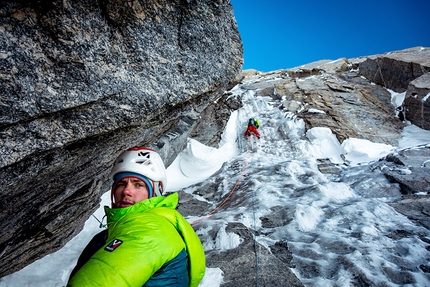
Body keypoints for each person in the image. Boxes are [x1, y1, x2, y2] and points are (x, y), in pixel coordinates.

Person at [67, 147, 206, 287]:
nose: (127, 191)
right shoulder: (127, 229)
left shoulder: (149, 230)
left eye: (138, 185)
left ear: (154, 193)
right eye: (121, 184)